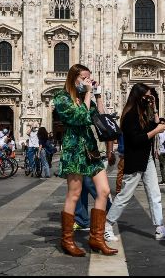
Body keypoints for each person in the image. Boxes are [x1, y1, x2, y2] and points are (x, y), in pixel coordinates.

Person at [104, 83, 165, 243]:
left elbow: (153, 125)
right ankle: (107, 225)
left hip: (147, 159)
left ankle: (160, 229)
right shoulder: (130, 115)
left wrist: (155, 107)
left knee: (155, 194)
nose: (148, 99)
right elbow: (137, 139)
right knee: (124, 195)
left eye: (150, 97)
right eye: (146, 97)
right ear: (138, 96)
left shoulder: (142, 113)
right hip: (135, 160)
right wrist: (156, 131)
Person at [54, 64, 117, 257]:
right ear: (74, 78)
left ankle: (96, 238)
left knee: (104, 191)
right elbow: (80, 118)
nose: (87, 81)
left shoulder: (85, 97)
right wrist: (88, 94)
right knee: (74, 194)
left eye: (89, 78)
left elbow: (99, 117)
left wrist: (97, 95)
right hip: (74, 150)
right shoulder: (61, 98)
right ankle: (67, 240)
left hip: (90, 150)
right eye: (84, 78)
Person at [157, 117, 165, 186]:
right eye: (160, 123)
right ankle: (163, 180)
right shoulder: (157, 131)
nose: (161, 125)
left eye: (163, 123)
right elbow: (156, 142)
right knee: (162, 166)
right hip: (161, 151)